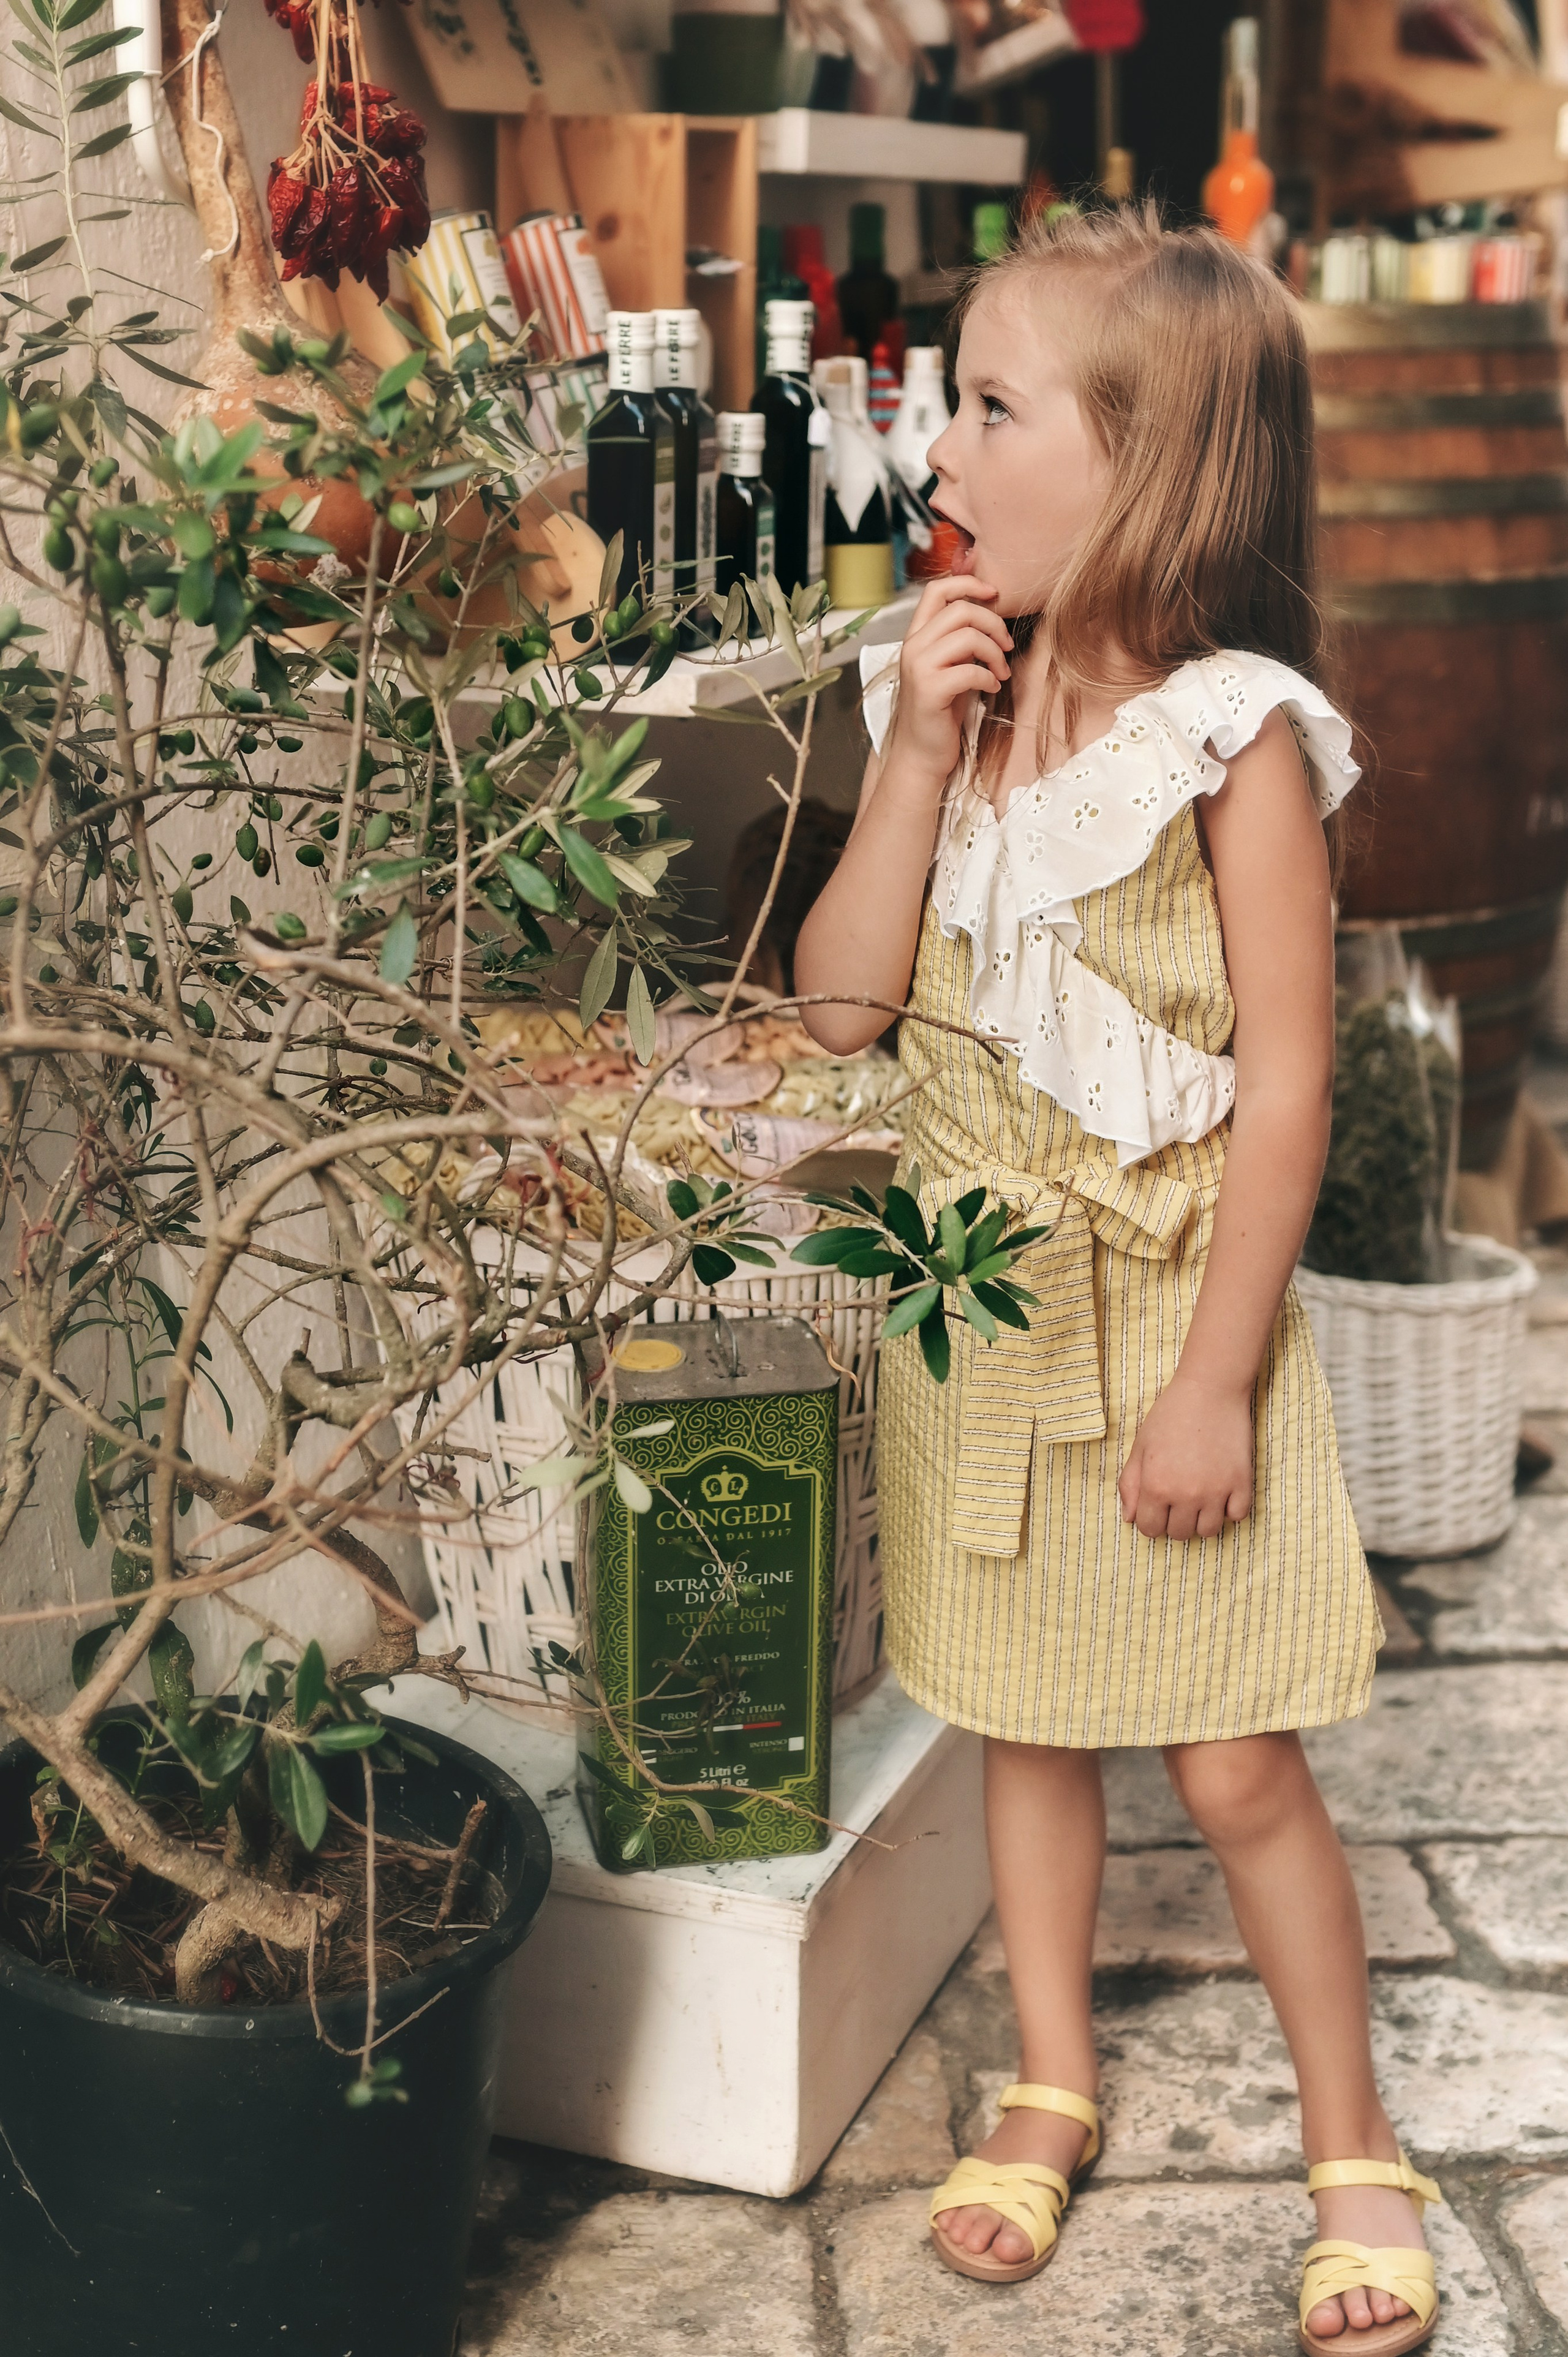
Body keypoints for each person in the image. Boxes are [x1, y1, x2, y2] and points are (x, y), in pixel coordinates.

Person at [794, 205, 1438, 2356]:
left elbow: (1281, 1102)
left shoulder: (1239, 740)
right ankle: (1050, 2077)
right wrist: (902, 763)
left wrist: (1213, 1385)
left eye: (987, 403)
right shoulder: (960, 713)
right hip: (984, 1308)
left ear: (1145, 460)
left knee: (1234, 1760)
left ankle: (1352, 2139)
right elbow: (840, 1012)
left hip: (1171, 1321)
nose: (937, 442)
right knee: (1022, 1714)